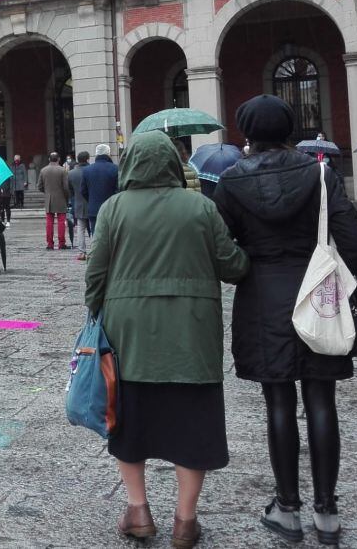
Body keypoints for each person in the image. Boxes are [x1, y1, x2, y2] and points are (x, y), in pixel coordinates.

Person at [212, 95, 357, 546]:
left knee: (277, 403)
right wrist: (334, 275)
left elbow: (224, 249)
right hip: (316, 295)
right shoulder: (321, 173)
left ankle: (287, 508)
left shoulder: (230, 181)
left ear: (246, 133)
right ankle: (327, 513)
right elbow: (353, 241)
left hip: (263, 299)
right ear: (288, 128)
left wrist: (250, 268)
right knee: (322, 400)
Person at [85, 132, 249, 549]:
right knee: (193, 426)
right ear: (175, 165)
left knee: (130, 422)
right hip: (191, 336)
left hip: (129, 335)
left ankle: (138, 510)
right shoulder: (200, 206)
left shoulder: (113, 209)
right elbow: (232, 266)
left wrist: (95, 311)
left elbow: (96, 272)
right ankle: (185, 521)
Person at [82, 144, 118, 236]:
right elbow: (119, 190)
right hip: (112, 209)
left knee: (96, 236)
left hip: (94, 209)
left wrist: (91, 200)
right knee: (111, 236)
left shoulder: (87, 170)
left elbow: (83, 191)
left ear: (96, 155)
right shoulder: (115, 169)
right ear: (108, 154)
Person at [38, 152, 70, 250]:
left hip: (49, 199)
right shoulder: (62, 170)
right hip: (61, 198)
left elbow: (39, 186)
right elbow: (65, 187)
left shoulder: (43, 170)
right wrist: (67, 197)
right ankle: (61, 243)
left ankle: (50, 244)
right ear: (59, 159)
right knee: (61, 222)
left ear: (49, 159)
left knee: (49, 222)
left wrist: (47, 192)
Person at [67, 151, 90, 250]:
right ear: (88, 159)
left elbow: (69, 189)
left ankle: (82, 250)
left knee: (80, 228)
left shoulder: (71, 173)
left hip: (78, 202)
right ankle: (94, 250)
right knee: (93, 228)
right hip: (91, 202)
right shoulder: (91, 170)